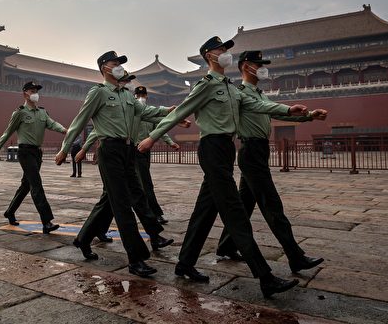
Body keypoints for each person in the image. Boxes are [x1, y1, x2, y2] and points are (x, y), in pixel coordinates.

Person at [138, 36, 307, 298]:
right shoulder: (205, 86)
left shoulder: (231, 87)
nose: (225, 53)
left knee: (205, 210)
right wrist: (152, 137)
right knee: (235, 213)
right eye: (220, 50)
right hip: (212, 148)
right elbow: (179, 112)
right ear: (209, 56)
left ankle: (184, 264)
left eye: (226, 49)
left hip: (227, 148)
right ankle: (265, 277)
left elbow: (257, 104)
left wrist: (289, 109)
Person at [55, 52, 173, 278]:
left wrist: (168, 111)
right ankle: (136, 258)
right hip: (110, 151)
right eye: (115, 63)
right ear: (104, 68)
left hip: (128, 150)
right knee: (121, 205)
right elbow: (79, 120)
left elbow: (145, 112)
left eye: (120, 64)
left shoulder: (127, 95)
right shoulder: (98, 93)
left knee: (131, 194)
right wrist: (64, 149)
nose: (119, 67)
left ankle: (83, 239)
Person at [214, 50, 326, 273]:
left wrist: (309, 115)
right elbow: (266, 108)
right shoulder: (241, 93)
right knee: (272, 205)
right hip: (251, 152)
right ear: (246, 67)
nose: (263, 68)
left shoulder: (259, 93)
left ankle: (226, 245)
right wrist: (287, 108)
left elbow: (276, 113)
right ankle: (295, 256)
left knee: (245, 204)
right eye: (259, 64)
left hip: (258, 151)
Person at [0, 81, 65, 233]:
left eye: (37, 90)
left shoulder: (42, 112)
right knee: (36, 184)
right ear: (25, 93)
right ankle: (47, 221)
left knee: (26, 185)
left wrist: (65, 130)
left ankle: (10, 212)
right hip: (25, 152)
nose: (35, 93)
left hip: (37, 153)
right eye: (32, 90)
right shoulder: (19, 112)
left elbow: (52, 124)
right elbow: (8, 131)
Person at [133, 85, 180, 224]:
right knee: (145, 183)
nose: (140, 98)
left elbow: (160, 129)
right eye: (138, 96)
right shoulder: (133, 112)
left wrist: (170, 142)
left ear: (147, 96)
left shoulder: (149, 112)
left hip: (146, 151)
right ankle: (155, 213)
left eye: (143, 96)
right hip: (135, 150)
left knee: (139, 183)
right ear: (134, 97)